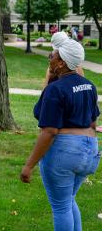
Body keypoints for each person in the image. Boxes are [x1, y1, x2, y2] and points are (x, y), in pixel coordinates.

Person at [20, 34, 100, 231]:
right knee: (67, 200)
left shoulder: (55, 89)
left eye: (53, 55)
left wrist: (29, 165)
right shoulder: (89, 85)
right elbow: (92, 121)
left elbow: (49, 131)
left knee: (60, 205)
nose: (50, 58)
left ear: (62, 62)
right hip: (91, 151)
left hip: (65, 151)